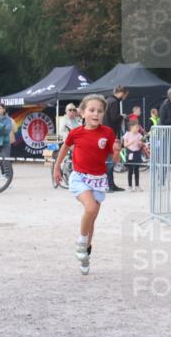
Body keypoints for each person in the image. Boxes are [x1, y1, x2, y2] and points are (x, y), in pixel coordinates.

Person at [52, 94, 122, 275]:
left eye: (99, 111)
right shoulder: (76, 133)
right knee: (90, 208)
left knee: (92, 219)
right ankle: (81, 242)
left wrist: (116, 151)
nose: (95, 114)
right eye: (91, 110)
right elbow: (65, 148)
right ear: (82, 113)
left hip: (98, 180)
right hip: (80, 177)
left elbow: (113, 160)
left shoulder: (107, 133)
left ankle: (85, 254)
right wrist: (57, 168)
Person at [104, 85, 129, 192]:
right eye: (126, 94)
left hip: (106, 133)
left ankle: (110, 184)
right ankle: (110, 185)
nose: (126, 97)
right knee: (110, 160)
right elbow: (114, 118)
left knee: (109, 159)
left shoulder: (107, 100)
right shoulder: (114, 102)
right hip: (111, 134)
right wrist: (122, 116)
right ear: (122, 92)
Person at [122, 120, 147, 191]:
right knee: (130, 170)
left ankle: (137, 185)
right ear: (131, 127)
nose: (138, 129)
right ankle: (129, 186)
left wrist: (141, 143)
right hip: (130, 153)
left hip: (137, 153)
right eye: (136, 127)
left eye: (138, 127)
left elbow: (143, 141)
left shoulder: (139, 135)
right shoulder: (127, 134)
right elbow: (124, 145)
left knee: (136, 170)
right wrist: (130, 142)